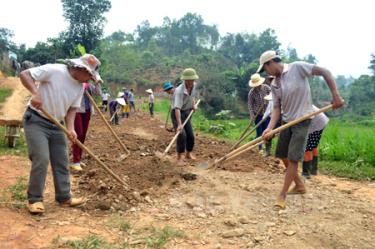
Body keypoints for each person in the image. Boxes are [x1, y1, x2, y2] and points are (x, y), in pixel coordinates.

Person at [19, 53, 102, 214]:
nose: (89, 79)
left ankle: (64, 197)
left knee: (62, 160)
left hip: (57, 125)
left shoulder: (79, 87)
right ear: (79, 68)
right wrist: (35, 93)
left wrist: (71, 128)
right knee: (41, 158)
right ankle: (35, 199)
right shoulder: (55, 70)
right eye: (89, 75)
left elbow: (72, 109)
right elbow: (25, 74)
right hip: (36, 119)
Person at [260, 50, 344, 209]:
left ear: (270, 63)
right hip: (287, 121)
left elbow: (325, 72)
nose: (266, 72)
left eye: (265, 69)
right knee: (282, 155)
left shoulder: (297, 67)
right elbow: (277, 108)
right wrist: (270, 128)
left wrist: (336, 95)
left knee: (293, 159)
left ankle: (282, 195)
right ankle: (299, 185)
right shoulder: (275, 83)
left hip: (303, 120)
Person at [70, 82, 102, 173]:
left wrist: (97, 82)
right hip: (76, 110)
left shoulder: (89, 84)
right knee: (78, 134)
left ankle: (78, 159)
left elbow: (98, 93)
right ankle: (75, 161)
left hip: (87, 110)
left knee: (83, 134)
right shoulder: (76, 81)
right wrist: (84, 84)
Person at [172, 68, 199, 165]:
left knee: (190, 135)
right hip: (177, 113)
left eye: (193, 80)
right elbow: (177, 108)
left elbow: (193, 97)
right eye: (189, 80)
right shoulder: (179, 91)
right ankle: (179, 156)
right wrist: (179, 124)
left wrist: (193, 105)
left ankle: (188, 153)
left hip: (187, 111)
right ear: (185, 80)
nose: (191, 82)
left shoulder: (194, 86)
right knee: (181, 134)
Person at [302, 105, 329, 178]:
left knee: (307, 148)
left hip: (315, 124)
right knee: (313, 146)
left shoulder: (298, 105)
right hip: (321, 121)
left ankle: (306, 173)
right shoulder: (301, 101)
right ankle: (313, 170)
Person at [248, 73, 272, 155]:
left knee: (268, 132)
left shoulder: (266, 88)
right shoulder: (251, 93)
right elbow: (250, 105)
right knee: (259, 132)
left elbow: (273, 94)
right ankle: (260, 148)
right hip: (258, 115)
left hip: (267, 114)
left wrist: (268, 99)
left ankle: (268, 150)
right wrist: (252, 116)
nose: (257, 86)